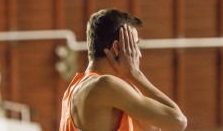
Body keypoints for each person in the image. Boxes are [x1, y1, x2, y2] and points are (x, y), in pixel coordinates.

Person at [59, 8, 187, 131]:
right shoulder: (105, 85)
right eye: (135, 45)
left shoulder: (75, 88)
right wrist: (135, 73)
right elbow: (178, 121)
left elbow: (153, 126)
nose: (139, 53)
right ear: (117, 47)